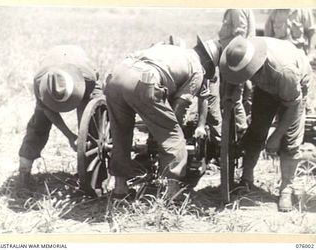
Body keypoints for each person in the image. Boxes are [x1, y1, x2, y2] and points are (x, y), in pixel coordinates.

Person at [104, 36, 221, 199]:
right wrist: (166, 133)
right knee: (174, 136)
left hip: (116, 75)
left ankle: (120, 188)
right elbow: (180, 107)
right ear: (209, 64)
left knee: (120, 134)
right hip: (143, 81)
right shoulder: (197, 69)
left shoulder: (175, 51)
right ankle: (172, 193)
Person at [219, 36, 312, 212]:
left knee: (290, 141)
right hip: (267, 87)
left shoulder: (284, 71)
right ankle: (246, 178)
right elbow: (233, 80)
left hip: (295, 86)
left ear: (254, 67)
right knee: (257, 130)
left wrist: (276, 137)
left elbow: (293, 106)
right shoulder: (241, 52)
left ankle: (286, 189)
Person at [18, 45, 102, 186]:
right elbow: (47, 110)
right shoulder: (40, 81)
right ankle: (24, 171)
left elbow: (93, 106)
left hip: (81, 72)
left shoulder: (88, 78)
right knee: (39, 125)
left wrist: (83, 137)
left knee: (93, 125)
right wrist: (70, 136)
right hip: (53, 62)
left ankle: (90, 174)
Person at [218, 9, 256, 136]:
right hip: (237, 59)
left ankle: (241, 130)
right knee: (237, 96)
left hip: (235, 60)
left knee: (233, 97)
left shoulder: (236, 8)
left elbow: (240, 36)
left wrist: (233, 62)